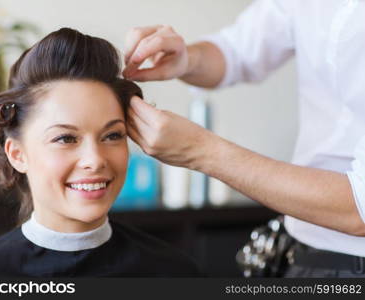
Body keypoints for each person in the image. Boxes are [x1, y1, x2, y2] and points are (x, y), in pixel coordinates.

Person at [123, 0, 365, 277]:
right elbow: (237, 51)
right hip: (302, 249)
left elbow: (360, 209)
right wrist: (188, 58)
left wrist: (202, 152)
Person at [0, 27, 201, 278]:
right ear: (17, 154)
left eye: (112, 135)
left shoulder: (173, 272)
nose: (95, 160)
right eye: (66, 138)